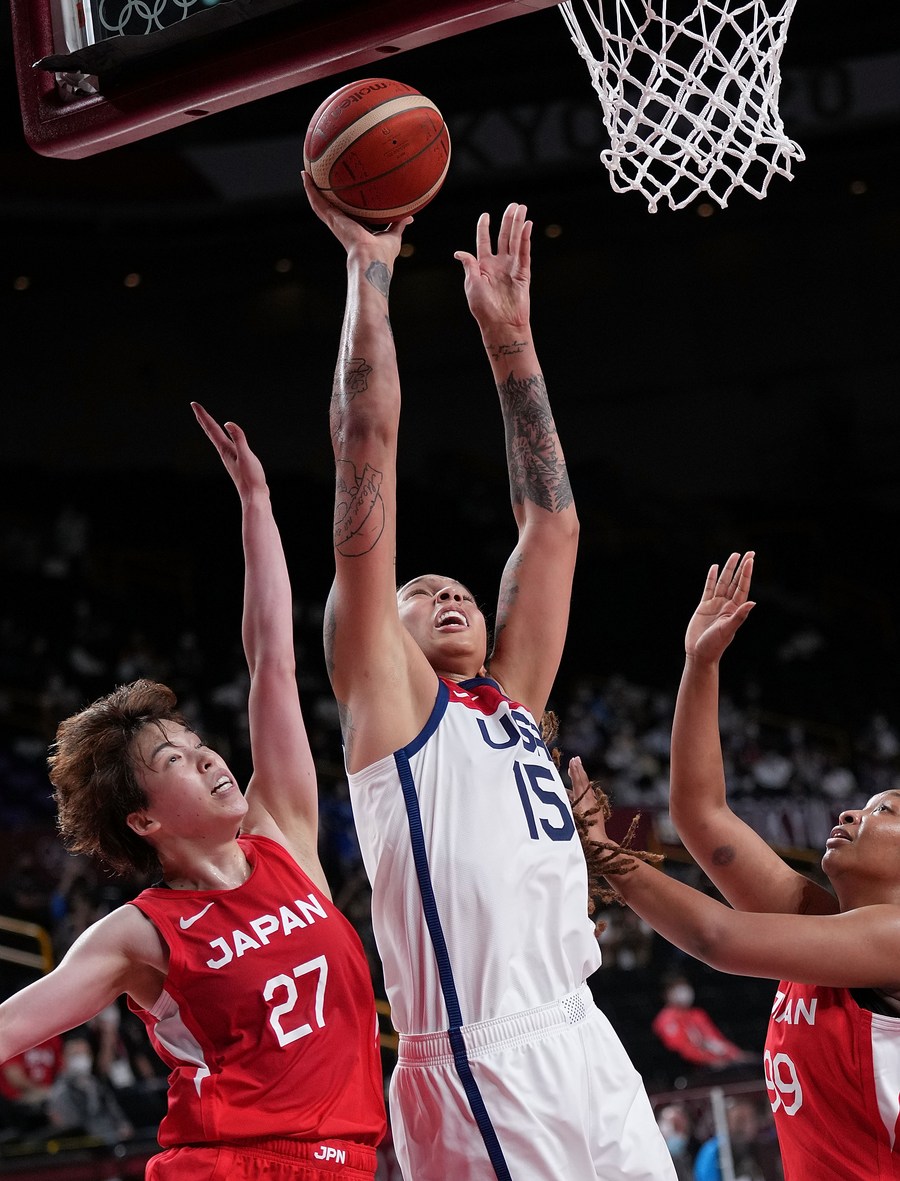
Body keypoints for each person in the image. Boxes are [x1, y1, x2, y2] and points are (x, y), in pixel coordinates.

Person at [303, 173, 677, 1181]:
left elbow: (552, 524)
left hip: (583, 1033)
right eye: (423, 590)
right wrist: (369, 272)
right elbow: (364, 439)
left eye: (462, 585)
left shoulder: (507, 700)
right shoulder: (386, 699)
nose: (452, 593)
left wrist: (510, 339)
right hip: (480, 1052)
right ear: (384, 622)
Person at [0, 405, 386, 1180]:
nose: (209, 758)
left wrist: (256, 504)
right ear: (141, 817)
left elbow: (272, 661)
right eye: (175, 758)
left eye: (197, 742)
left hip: (344, 1161)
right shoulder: (140, 933)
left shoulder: (282, 837)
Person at [567, 552, 900, 1181]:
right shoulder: (822, 925)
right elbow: (700, 817)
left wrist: (604, 853)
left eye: (885, 810)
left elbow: (715, 938)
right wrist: (701, 664)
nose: (854, 813)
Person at [652, 970, 755, 1071]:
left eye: (684, 984)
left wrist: (736, 1054)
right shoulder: (665, 1019)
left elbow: (715, 1040)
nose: (683, 991)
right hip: (693, 1069)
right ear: (666, 993)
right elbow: (680, 1051)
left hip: (719, 1064)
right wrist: (711, 1060)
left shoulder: (698, 1014)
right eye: (676, 986)